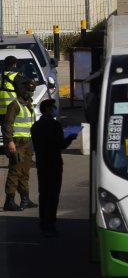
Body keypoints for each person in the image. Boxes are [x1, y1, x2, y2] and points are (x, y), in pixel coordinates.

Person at [30, 99, 76, 236]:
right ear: (49, 109)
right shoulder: (55, 125)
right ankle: (50, 221)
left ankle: (43, 221)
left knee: (43, 192)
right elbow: (61, 144)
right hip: (54, 162)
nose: (55, 109)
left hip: (41, 163)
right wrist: (71, 137)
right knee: (53, 193)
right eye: (53, 107)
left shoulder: (35, 126)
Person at [3, 77, 38, 211]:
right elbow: (7, 125)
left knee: (25, 172)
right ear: (22, 90)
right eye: (28, 90)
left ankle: (25, 199)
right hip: (17, 144)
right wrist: (10, 142)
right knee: (15, 172)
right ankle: (9, 201)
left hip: (28, 143)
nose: (30, 93)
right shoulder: (15, 105)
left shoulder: (29, 105)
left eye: (32, 90)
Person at [0, 56, 19, 151]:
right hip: (12, 109)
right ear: (14, 64)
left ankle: (8, 150)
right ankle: (15, 153)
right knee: (14, 132)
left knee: (6, 132)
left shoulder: (0, 77)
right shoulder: (15, 76)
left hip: (1, 111)